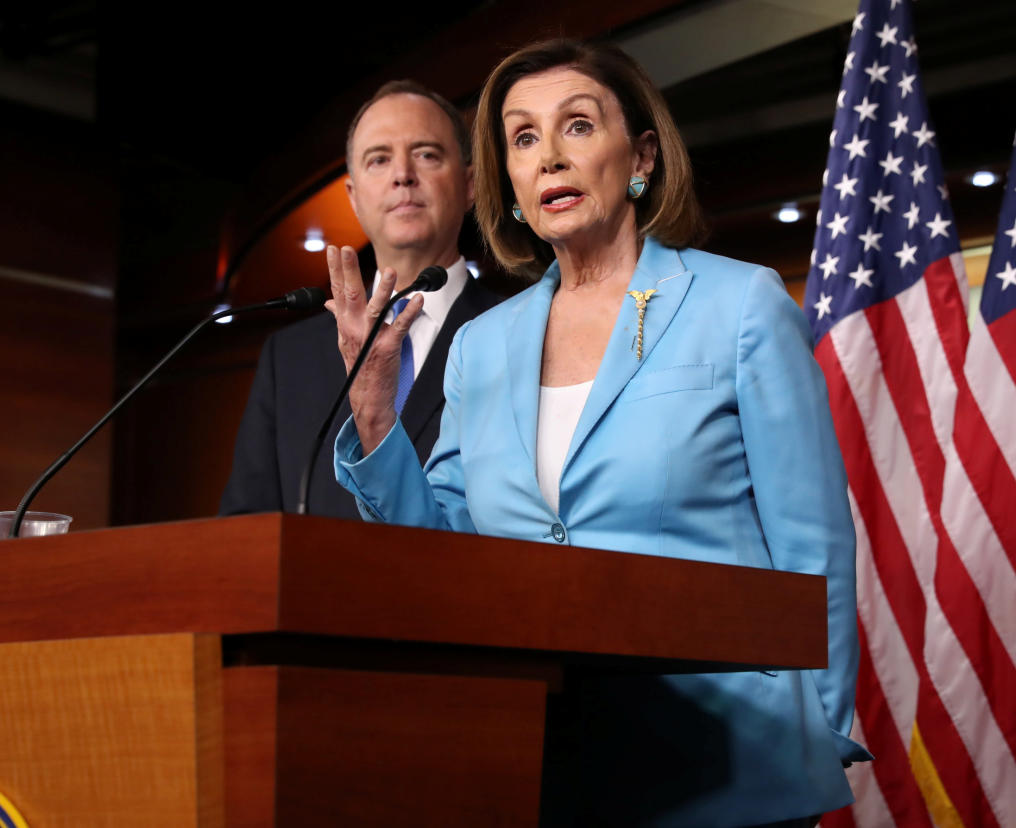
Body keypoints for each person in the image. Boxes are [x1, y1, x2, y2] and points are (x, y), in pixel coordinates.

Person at [327, 41, 868, 827]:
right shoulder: (483, 345)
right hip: (542, 764)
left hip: (733, 765)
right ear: (509, 183)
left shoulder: (739, 304)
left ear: (640, 154)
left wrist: (814, 734)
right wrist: (373, 409)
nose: (549, 156)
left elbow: (813, 548)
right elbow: (443, 551)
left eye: (576, 126)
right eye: (522, 138)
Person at [219, 80, 496, 518]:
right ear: (353, 198)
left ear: (470, 185)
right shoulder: (289, 357)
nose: (402, 174)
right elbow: (245, 525)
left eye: (427, 154)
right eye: (379, 159)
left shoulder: (516, 333)